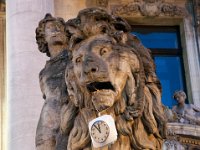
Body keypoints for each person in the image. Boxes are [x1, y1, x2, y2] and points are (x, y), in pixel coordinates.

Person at [35, 14, 71, 150]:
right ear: (43, 37)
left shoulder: (75, 59)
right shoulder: (43, 72)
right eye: (50, 28)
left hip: (70, 118)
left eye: (59, 27)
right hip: (47, 122)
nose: (55, 30)